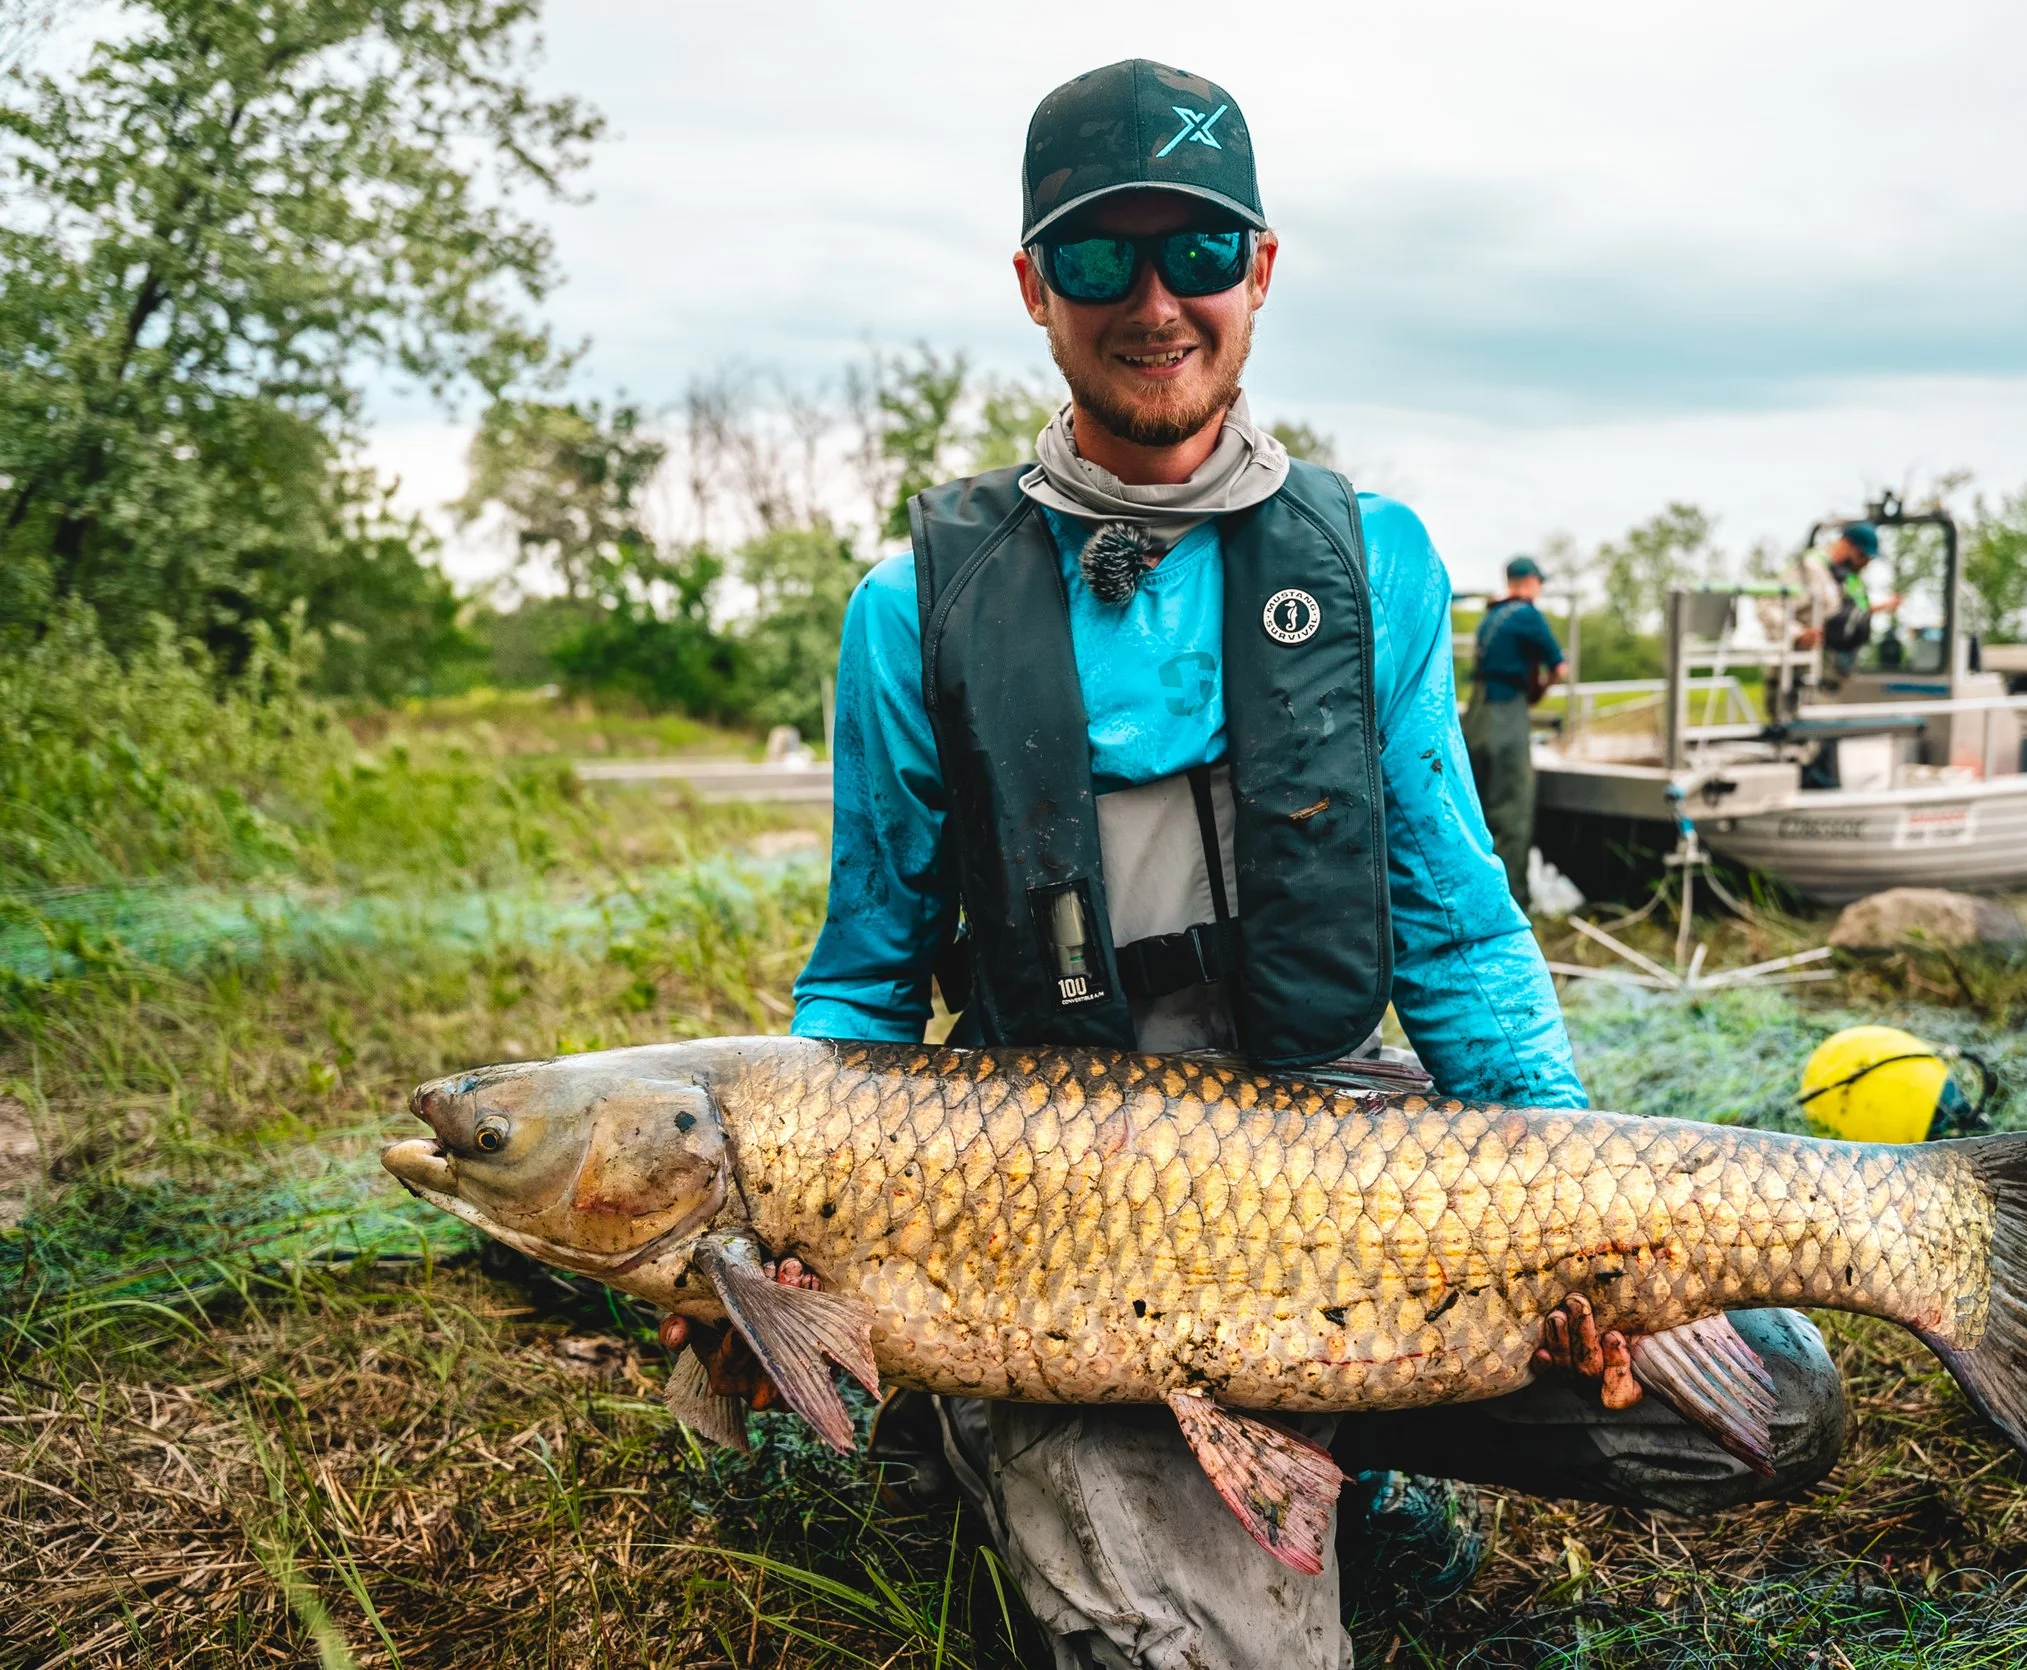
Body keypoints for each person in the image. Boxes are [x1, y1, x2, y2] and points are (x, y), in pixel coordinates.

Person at [766, 60, 1845, 1670]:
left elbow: (1464, 939)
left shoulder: (1376, 566)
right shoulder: (910, 607)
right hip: (1067, 1250)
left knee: (1775, 1393)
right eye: (1095, 259)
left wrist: (1564, 1211)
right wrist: (806, 1228)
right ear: (1032, 290)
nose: (1153, 302)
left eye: (1196, 254)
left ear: (1259, 269)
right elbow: (862, 979)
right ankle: (993, 1427)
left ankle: (1337, 1455)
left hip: (1344, 1201)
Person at [1463, 555, 1568, 909]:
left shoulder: (1490, 615)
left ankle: (1477, 901)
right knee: (1512, 813)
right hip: (1506, 720)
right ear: (1529, 582)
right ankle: (1512, 904)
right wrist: (1540, 689)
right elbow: (1561, 668)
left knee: (1481, 812)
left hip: (1476, 719)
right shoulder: (1527, 614)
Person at [1765, 520, 1899, 685]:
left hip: (1831, 673)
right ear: (1846, 545)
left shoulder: (1845, 577)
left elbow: (1843, 614)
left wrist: (1881, 607)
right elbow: (1769, 606)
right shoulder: (1811, 568)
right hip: (1798, 674)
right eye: (1863, 556)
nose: (1866, 564)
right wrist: (1798, 633)